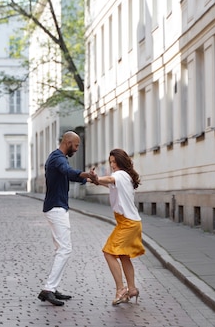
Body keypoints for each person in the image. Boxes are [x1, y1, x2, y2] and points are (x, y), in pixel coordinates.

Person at [38, 131, 97, 306]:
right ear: (68, 142)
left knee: (61, 249)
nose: (77, 149)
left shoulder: (58, 158)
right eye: (76, 145)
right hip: (56, 208)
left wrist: (86, 178)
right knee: (65, 249)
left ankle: (53, 288)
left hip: (56, 207)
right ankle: (48, 289)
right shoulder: (58, 158)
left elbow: (68, 175)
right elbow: (68, 171)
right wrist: (86, 174)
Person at [90, 148, 145, 306]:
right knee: (123, 255)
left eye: (114, 162)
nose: (112, 164)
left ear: (121, 162)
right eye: (111, 162)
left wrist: (98, 178)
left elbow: (109, 179)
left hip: (128, 223)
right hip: (130, 222)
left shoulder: (119, 175)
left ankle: (121, 289)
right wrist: (93, 179)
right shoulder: (124, 177)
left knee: (108, 252)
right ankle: (132, 289)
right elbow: (106, 183)